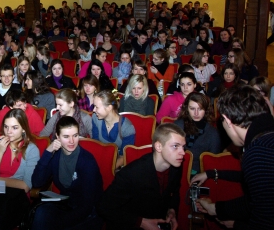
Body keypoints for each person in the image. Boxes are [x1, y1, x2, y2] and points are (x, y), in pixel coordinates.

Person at [194, 85, 274, 229]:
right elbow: (256, 201)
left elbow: (264, 222)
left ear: (227, 120)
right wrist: (217, 209)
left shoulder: (257, 152)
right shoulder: (265, 139)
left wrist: (235, 225)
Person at [98, 123, 185, 230]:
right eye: (175, 146)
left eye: (183, 147)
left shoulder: (176, 167)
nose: (183, 153)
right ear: (158, 146)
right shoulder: (132, 174)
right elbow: (104, 207)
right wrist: (140, 222)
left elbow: (174, 192)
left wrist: (172, 210)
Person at [31, 116, 103, 230]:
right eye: (66, 136)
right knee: (41, 212)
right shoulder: (55, 155)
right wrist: (48, 152)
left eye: (75, 135)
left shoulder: (87, 161)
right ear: (57, 137)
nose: (72, 141)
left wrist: (58, 224)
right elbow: (36, 182)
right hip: (67, 204)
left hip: (90, 212)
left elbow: (87, 205)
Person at [173, 92, 221, 175]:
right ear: (187, 109)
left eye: (200, 109)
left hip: (199, 172)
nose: (196, 113)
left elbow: (213, 161)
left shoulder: (213, 133)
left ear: (206, 110)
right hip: (176, 168)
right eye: (192, 108)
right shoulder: (178, 125)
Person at [91, 90, 135, 168]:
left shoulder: (127, 127)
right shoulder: (95, 118)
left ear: (109, 108)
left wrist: (109, 168)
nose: (93, 110)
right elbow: (96, 144)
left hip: (117, 163)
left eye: (96, 107)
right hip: (100, 157)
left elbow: (124, 156)